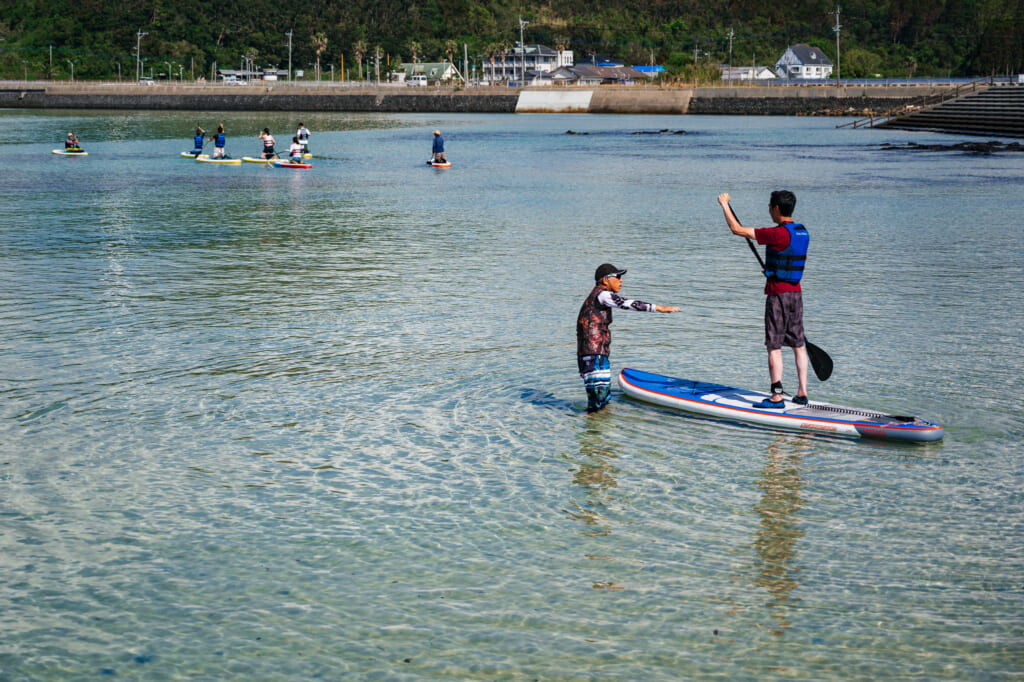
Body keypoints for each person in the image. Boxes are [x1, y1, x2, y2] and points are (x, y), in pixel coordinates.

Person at [717, 190, 809, 408]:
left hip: (778, 296)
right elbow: (786, 256)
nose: (769, 210)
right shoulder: (802, 232)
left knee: (774, 346)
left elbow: (736, 229)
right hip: (796, 294)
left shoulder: (776, 234)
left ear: (776, 209)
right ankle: (802, 393)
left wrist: (724, 204)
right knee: (798, 345)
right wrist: (772, 270)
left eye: (769, 207)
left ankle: (777, 396)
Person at [577, 263, 679, 413]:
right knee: (597, 403)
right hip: (593, 354)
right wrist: (659, 308)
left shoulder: (595, 297)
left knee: (602, 401)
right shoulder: (602, 295)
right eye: (617, 277)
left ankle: (598, 431)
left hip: (594, 353)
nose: (621, 280)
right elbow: (626, 303)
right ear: (605, 280)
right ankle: (592, 432)